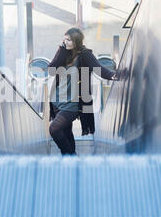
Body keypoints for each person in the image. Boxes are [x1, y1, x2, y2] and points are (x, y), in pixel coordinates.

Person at [48, 27, 118, 156]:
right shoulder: (63, 51)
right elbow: (51, 70)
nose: (65, 42)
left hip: (73, 104)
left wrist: (113, 75)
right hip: (57, 100)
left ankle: (69, 156)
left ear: (76, 42)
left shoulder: (85, 55)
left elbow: (98, 68)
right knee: (66, 131)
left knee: (54, 129)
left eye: (69, 40)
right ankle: (70, 156)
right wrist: (62, 52)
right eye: (64, 39)